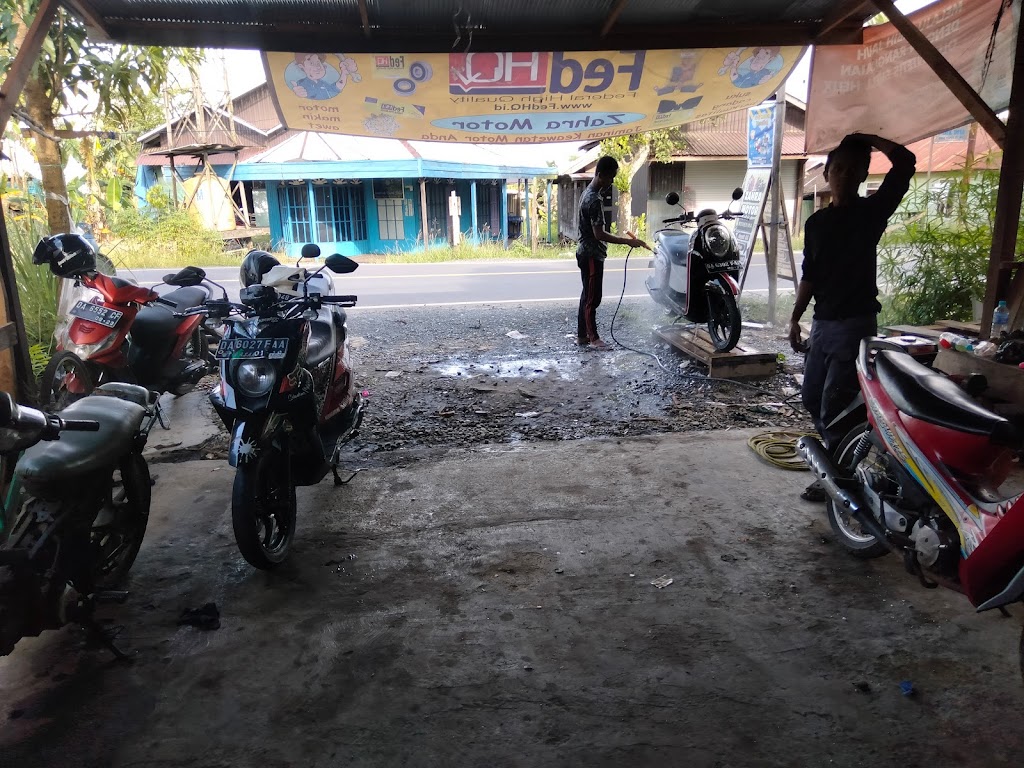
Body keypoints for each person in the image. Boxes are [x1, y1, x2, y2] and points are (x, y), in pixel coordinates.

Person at [788, 133, 916, 501]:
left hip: (855, 326)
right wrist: (795, 318)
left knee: (837, 405)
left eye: (853, 169)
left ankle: (841, 480)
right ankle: (839, 466)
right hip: (823, 325)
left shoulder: (871, 214)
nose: (844, 175)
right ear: (826, 173)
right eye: (839, 168)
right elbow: (810, 274)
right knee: (812, 397)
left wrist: (869, 138)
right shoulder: (816, 223)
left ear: (863, 175)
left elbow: (905, 162)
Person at [576, 156, 649, 349]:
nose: (612, 182)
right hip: (591, 255)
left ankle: (582, 336)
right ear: (600, 175)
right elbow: (599, 234)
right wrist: (628, 242)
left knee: (586, 295)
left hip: (586, 253)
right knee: (593, 298)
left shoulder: (587, 193)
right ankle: (594, 339)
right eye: (610, 177)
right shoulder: (594, 199)